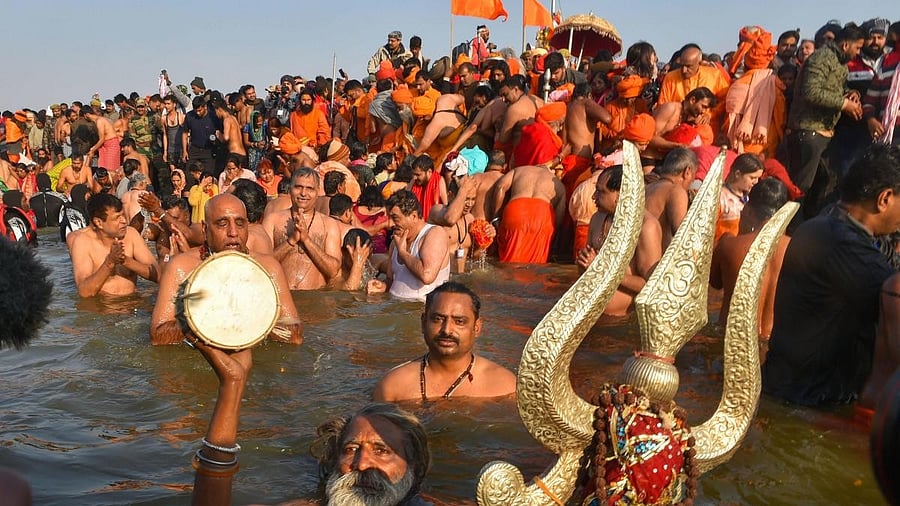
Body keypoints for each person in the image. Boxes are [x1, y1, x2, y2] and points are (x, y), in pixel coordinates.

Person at [763, 144, 900, 407]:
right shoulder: (842, 243)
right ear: (884, 199)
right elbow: (894, 292)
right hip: (812, 405)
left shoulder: (824, 226)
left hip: (790, 390)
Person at [150, 193, 302, 345]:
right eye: (222, 224)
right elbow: (158, 336)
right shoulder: (182, 267)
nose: (233, 233)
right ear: (205, 228)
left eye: (240, 223)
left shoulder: (268, 268)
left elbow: (294, 335)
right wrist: (208, 315)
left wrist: (250, 316)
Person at [373, 281, 516, 402]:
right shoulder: (392, 387)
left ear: (476, 328)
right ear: (423, 323)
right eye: (437, 319)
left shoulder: (505, 387)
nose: (447, 330)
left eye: (459, 321)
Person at [784, 23, 866, 223]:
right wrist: (843, 103)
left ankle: (810, 227)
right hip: (808, 132)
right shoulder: (821, 58)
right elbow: (811, 92)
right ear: (845, 45)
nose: (858, 53)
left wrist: (850, 93)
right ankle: (790, 233)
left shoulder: (840, 63)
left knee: (825, 185)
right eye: (857, 48)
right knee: (799, 191)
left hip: (824, 134)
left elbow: (834, 87)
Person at [576, 166, 663, 316]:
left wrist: (603, 269)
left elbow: (651, 286)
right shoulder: (597, 218)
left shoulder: (646, 227)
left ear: (622, 194)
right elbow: (585, 271)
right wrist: (584, 262)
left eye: (601, 191)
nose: (594, 197)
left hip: (619, 323)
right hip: (586, 315)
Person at [710, 178, 790, 340]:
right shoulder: (798, 250)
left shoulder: (728, 245)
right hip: (774, 345)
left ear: (749, 210)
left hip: (730, 342)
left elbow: (715, 284)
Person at [261, 167, 342, 290]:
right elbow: (262, 265)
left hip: (315, 299)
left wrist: (306, 240)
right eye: (298, 187)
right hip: (281, 297)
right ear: (290, 189)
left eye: (310, 189)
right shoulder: (272, 220)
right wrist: (291, 241)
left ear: (317, 193)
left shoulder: (329, 225)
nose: (303, 193)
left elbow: (333, 271)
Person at [67, 193, 158, 297]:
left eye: (123, 215)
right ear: (99, 222)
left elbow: (159, 276)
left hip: (132, 305)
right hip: (101, 309)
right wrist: (109, 262)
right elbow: (84, 292)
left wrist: (125, 260)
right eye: (117, 218)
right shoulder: (82, 242)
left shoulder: (131, 234)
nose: (124, 221)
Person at [366, 189, 450, 301]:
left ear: (414, 216)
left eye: (395, 218)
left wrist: (403, 253)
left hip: (420, 311)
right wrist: (382, 287)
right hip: (396, 310)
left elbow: (427, 276)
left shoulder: (434, 234)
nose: (390, 224)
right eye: (389, 218)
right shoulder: (395, 242)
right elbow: (391, 280)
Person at [491, 162, 566, 264]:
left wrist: (496, 217)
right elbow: (559, 216)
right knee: (536, 262)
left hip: (517, 209)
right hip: (543, 215)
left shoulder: (520, 170)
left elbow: (500, 186)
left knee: (510, 254)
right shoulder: (558, 183)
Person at [644, 147, 697, 248]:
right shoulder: (676, 191)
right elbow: (682, 236)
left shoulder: (648, 187)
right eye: (693, 177)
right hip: (656, 260)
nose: (692, 182)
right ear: (687, 172)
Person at [716, 153, 764, 241]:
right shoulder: (720, 198)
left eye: (758, 178)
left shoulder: (751, 197)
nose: (756, 182)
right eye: (752, 178)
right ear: (737, 174)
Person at [83, 106, 120, 173]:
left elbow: (102, 139)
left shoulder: (100, 121)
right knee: (104, 169)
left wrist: (92, 149)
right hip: (105, 146)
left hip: (111, 145)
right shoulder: (100, 120)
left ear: (86, 115)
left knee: (111, 170)